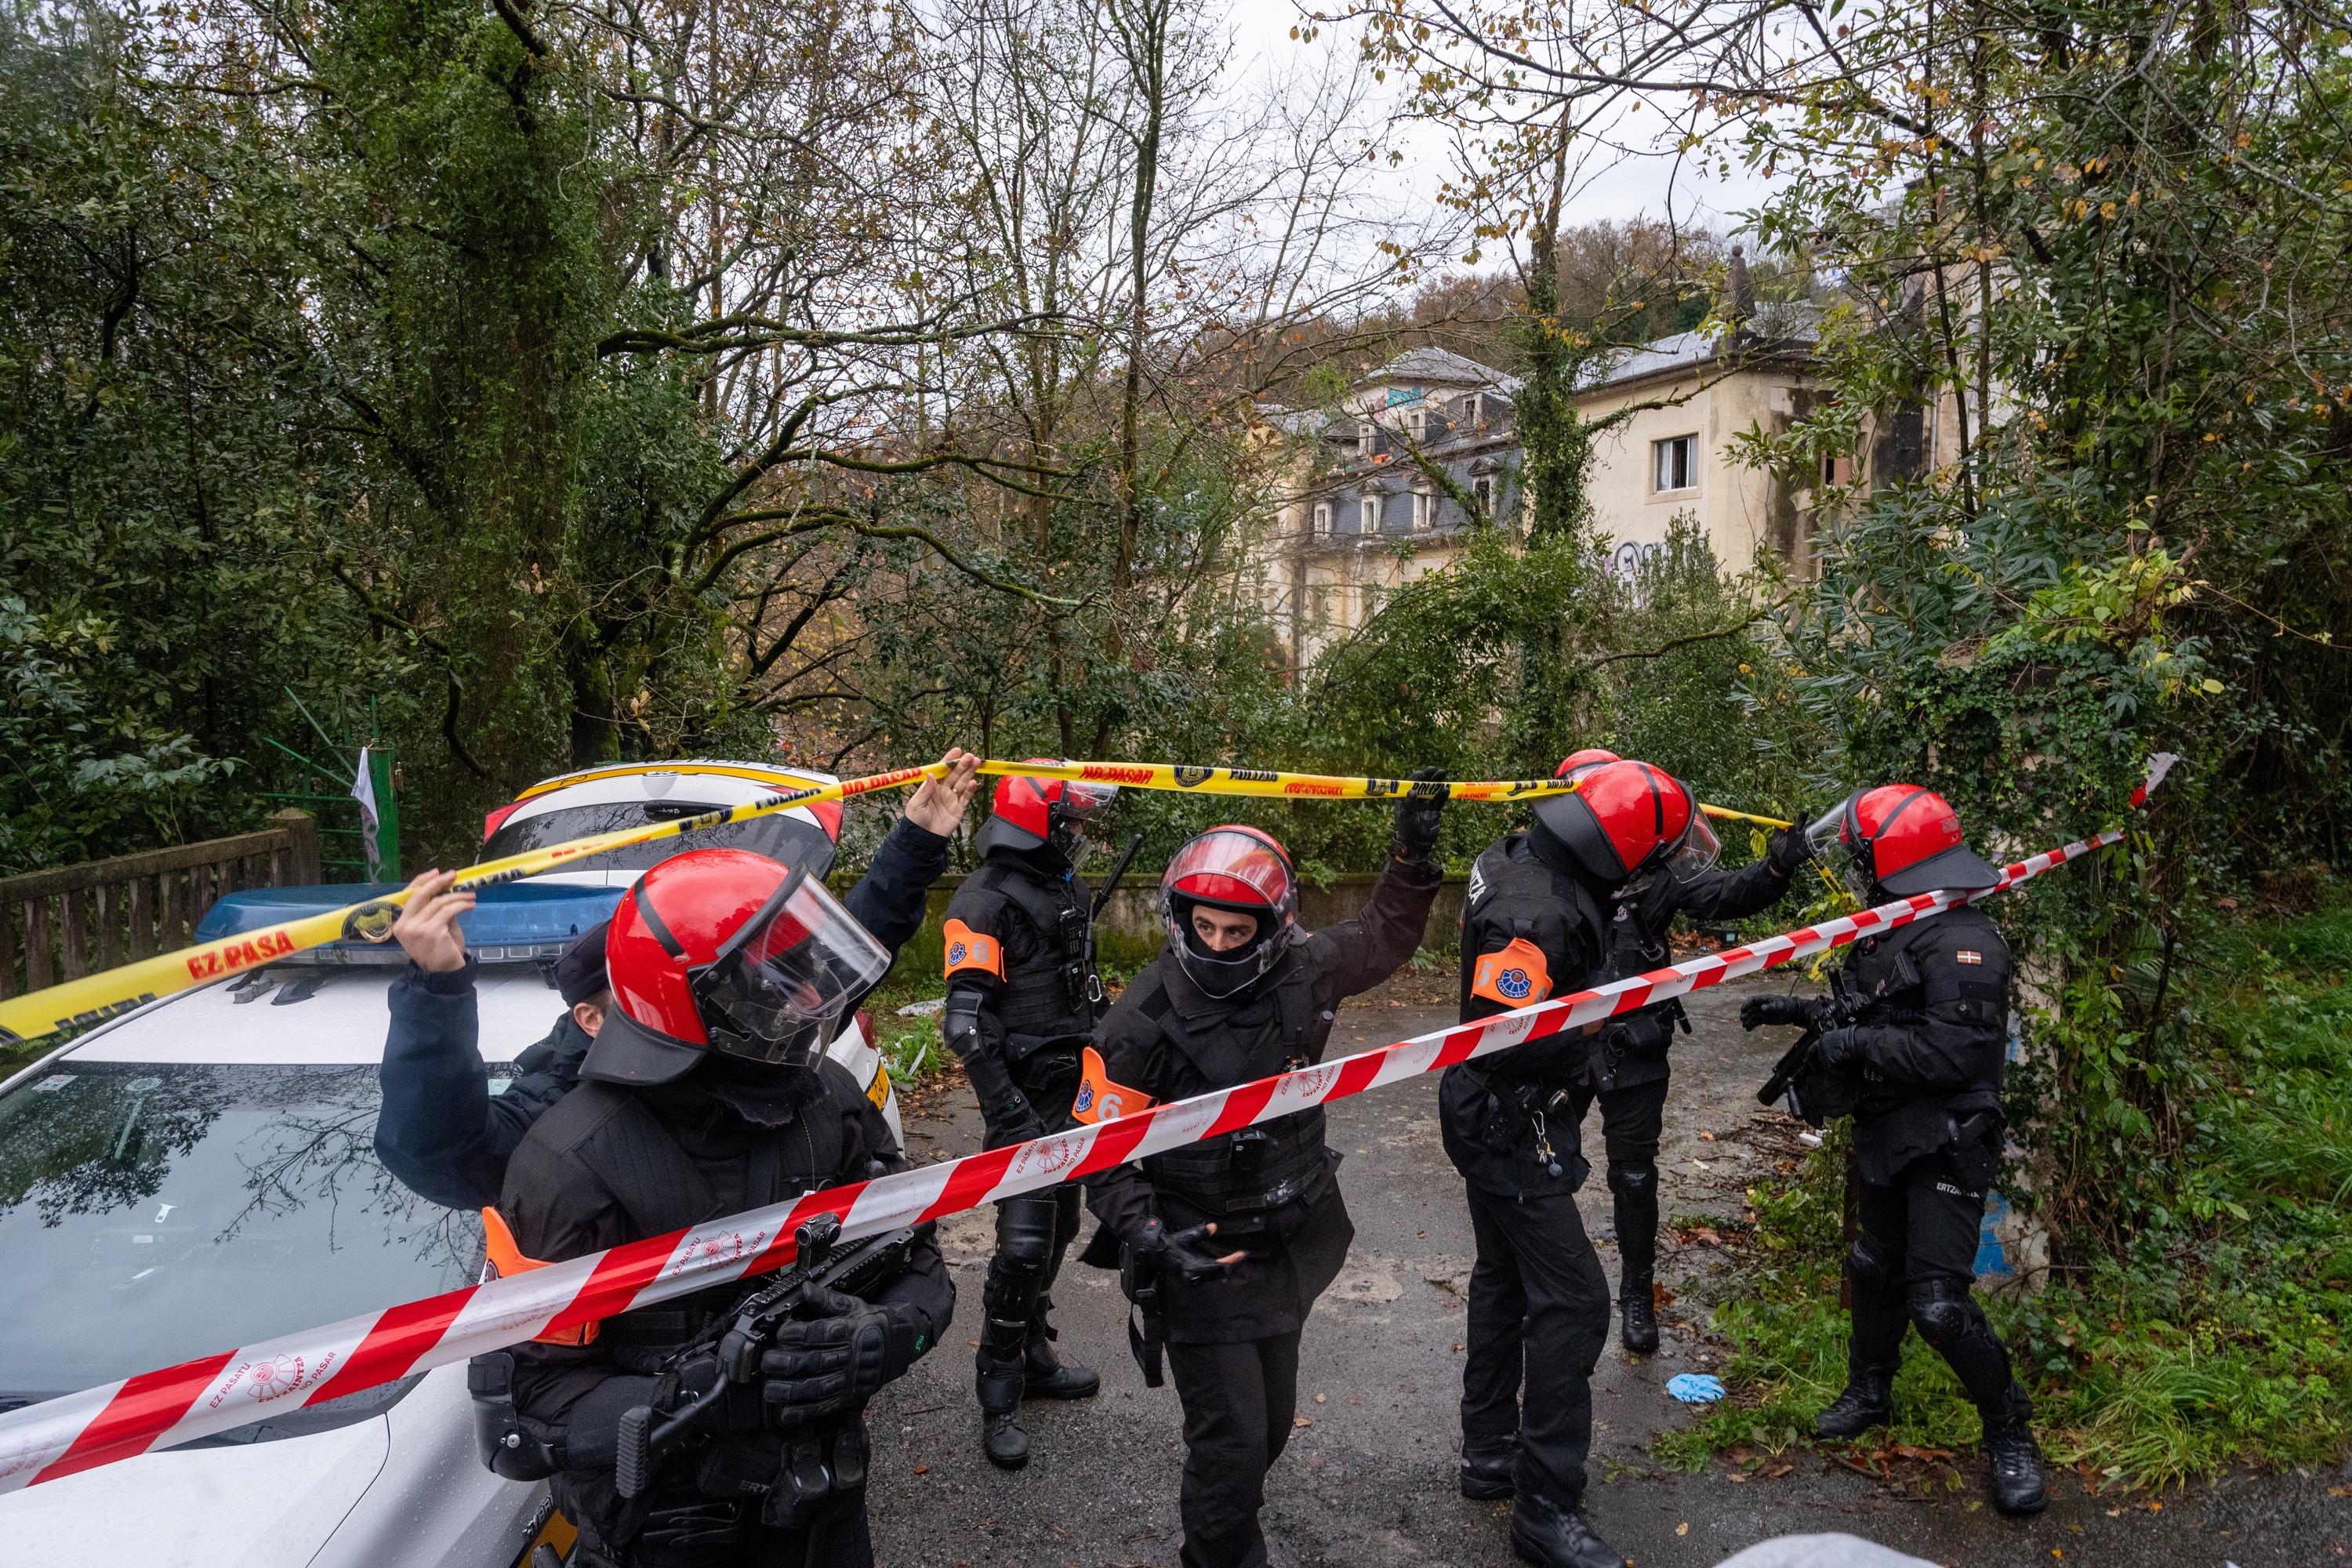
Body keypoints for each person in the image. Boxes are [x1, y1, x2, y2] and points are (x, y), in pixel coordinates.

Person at [491, 845, 956, 1567]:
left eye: (802, 970)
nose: (806, 997)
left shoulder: (827, 1101)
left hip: (823, 1516)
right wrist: (705, 1395)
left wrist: (891, 1336)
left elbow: (919, 1260)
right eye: (773, 980)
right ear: (692, 1001)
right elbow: (522, 1414)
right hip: (667, 1535)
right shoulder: (567, 1164)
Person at [1443, 757, 1814, 1568]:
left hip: (1506, 1112)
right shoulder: (1536, 910)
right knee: (1575, 1302)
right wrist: (1595, 1015)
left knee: (1504, 1278)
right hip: (1510, 1119)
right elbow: (1505, 1040)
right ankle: (1543, 1506)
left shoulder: (1527, 854)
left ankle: (1488, 1454)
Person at [1078, 779, 1448, 1568]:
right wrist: (1146, 1227)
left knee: (1270, 1427)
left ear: (1271, 928)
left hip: (1289, 1237)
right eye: (1201, 925)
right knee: (1234, 1446)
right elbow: (1095, 1154)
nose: (1215, 942)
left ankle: (1221, 1529)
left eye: (1234, 929)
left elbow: (1384, 934)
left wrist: (1411, 854)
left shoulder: (1304, 973)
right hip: (1198, 1255)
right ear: (1178, 919)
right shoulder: (1136, 1024)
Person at [376, 750, 981, 1210]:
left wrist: (918, 841)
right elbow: (446, 1157)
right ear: (590, 1020)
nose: (742, 996)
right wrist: (437, 991)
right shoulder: (563, 1101)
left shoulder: (747, 1038)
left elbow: (843, 957)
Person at [1740, 785, 2047, 1515]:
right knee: (1872, 1267)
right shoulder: (1893, 928)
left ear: (1899, 857)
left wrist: (1856, 1044)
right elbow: (1873, 1009)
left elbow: (1958, 1051)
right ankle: (1870, 1391)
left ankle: (2010, 1431)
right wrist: (1802, 1013)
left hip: (1947, 1137)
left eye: (1865, 856)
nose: (1856, 871)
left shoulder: (1965, 940)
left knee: (1937, 1305)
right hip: (1885, 1128)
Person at [939, 767, 1120, 1468]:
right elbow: (964, 1025)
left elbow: (1082, 984)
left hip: (1072, 1085)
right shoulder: (983, 900)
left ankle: (1034, 1355)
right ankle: (999, 1389)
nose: (1077, 834)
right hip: (1018, 1098)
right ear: (1037, 823)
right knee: (1021, 1243)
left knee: (1063, 1228)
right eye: (1069, 822)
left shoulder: (1063, 886)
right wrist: (1007, 1111)